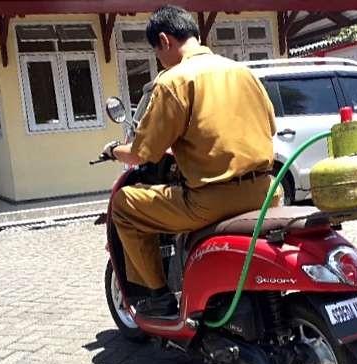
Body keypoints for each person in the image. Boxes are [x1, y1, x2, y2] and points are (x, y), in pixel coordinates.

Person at [104, 5, 278, 317]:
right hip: (267, 192)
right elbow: (270, 127)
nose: (160, 60)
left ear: (164, 40)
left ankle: (157, 297)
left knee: (125, 205)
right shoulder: (243, 72)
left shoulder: (173, 81)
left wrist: (114, 149)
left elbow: (144, 153)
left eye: (157, 53)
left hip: (211, 201)